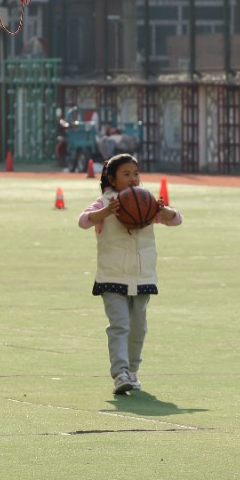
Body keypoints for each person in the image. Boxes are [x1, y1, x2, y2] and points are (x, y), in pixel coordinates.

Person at [77, 153, 182, 395]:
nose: (133, 179)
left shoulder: (145, 201)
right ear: (112, 179)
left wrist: (162, 210)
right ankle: (120, 373)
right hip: (112, 276)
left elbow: (176, 219)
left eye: (136, 174)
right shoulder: (104, 202)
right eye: (126, 174)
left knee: (138, 328)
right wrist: (105, 213)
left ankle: (132, 371)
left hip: (142, 276)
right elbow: (83, 221)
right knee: (119, 325)